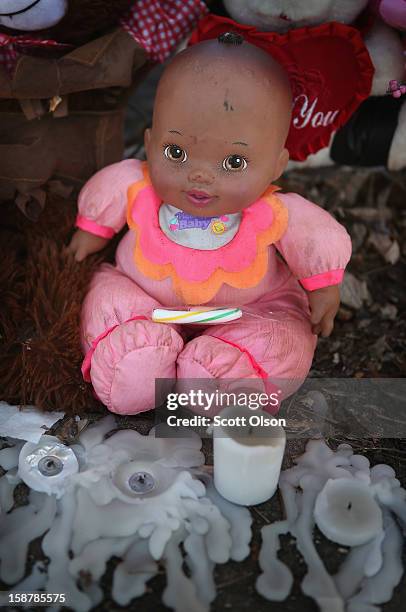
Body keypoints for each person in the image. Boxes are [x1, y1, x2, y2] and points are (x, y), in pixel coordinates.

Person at [67, 32, 351, 415]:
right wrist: (91, 232)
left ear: (276, 165)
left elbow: (313, 237)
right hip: (145, 298)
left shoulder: (277, 212)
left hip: (246, 309)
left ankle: (231, 366)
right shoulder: (138, 185)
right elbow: (108, 194)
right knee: (108, 298)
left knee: (284, 330)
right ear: (150, 144)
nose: (199, 176)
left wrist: (323, 285)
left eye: (234, 162)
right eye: (176, 152)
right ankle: (134, 353)